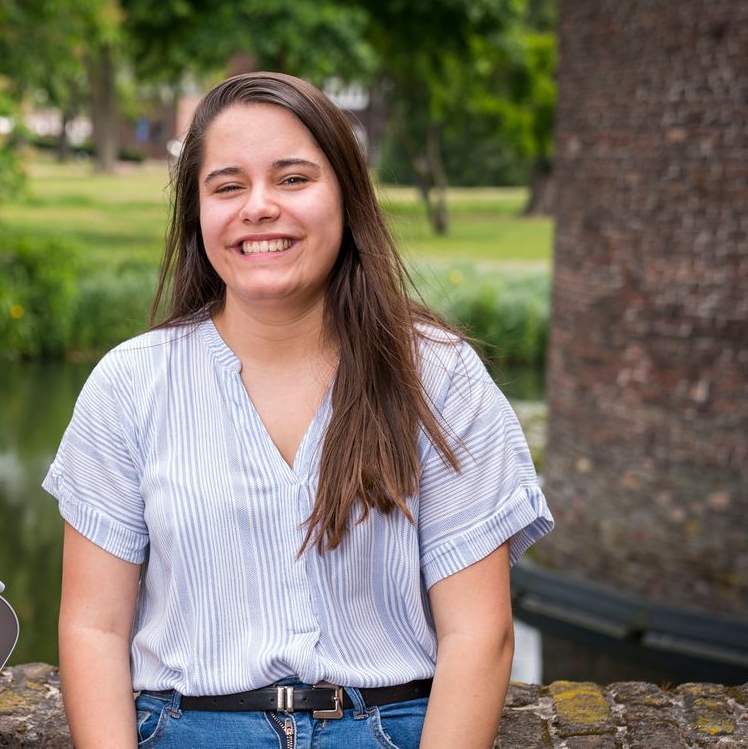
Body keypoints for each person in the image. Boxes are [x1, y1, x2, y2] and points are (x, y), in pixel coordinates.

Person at [45, 72, 553, 749]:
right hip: (187, 729)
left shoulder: (440, 375)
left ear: (346, 193)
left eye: (292, 179)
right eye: (228, 186)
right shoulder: (131, 384)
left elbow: (478, 634)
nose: (259, 207)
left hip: (387, 730)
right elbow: (93, 629)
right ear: (197, 213)